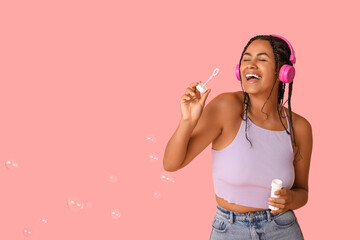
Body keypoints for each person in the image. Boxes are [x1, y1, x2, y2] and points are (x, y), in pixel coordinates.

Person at [163, 34, 312, 240]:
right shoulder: (226, 107)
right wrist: (187, 121)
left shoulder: (300, 127)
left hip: (282, 229)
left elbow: (302, 192)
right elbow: (171, 163)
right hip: (230, 229)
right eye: (246, 59)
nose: (250, 65)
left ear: (284, 72)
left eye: (261, 59)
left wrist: (290, 199)